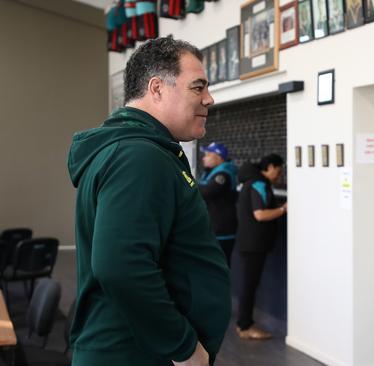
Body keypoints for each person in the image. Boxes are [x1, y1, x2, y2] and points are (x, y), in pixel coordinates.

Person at [67, 37, 230, 366]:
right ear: (157, 88)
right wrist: (183, 348)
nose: (209, 99)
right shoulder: (138, 156)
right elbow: (120, 265)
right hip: (136, 353)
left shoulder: (140, 151)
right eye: (197, 87)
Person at [235, 153, 287, 339]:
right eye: (278, 171)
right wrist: (283, 209)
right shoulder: (259, 183)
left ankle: (243, 324)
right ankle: (245, 326)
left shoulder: (250, 182)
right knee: (250, 285)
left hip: (248, 242)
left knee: (248, 284)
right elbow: (260, 215)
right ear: (270, 167)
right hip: (254, 244)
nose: (279, 176)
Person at [198, 142, 238, 266]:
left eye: (208, 155)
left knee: (220, 267)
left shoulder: (223, 174)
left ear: (219, 157)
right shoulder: (210, 172)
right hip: (212, 229)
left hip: (222, 231)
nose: (204, 158)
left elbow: (205, 192)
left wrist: (187, 181)